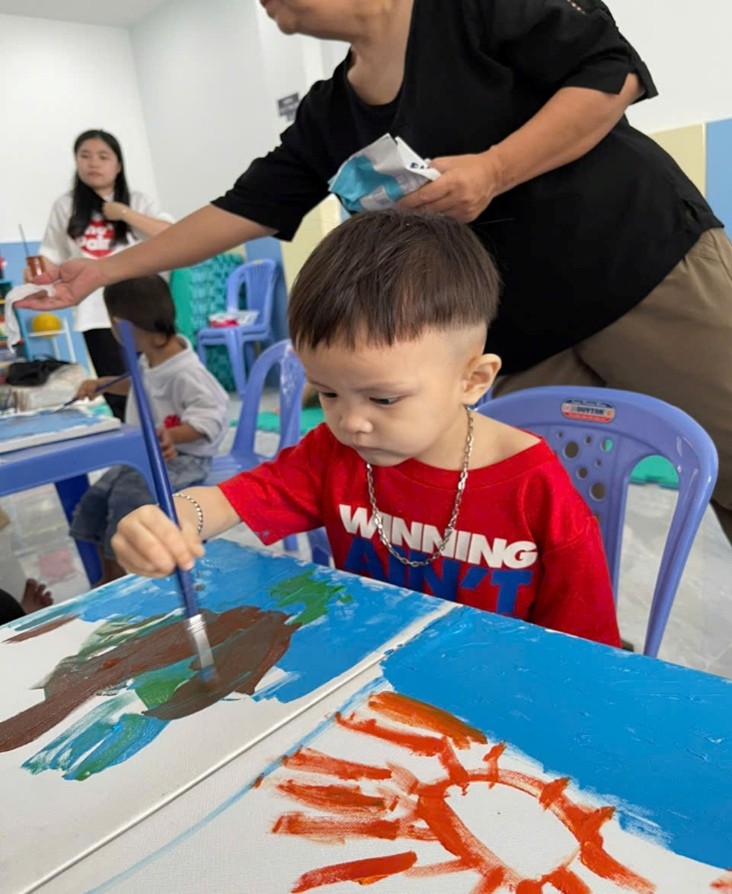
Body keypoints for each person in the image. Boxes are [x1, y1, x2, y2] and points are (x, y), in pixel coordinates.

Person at [20, 2, 732, 548]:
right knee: (545, 529)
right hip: (524, 333)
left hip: (645, 268)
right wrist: (100, 272)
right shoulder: (330, 114)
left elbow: (611, 71)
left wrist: (495, 169)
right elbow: (243, 208)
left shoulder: (468, 12)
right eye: (329, 393)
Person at [112, 211, 621, 648]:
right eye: (328, 393)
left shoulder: (535, 488)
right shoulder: (331, 453)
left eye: (384, 399)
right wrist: (179, 517)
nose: (350, 422)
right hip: (372, 668)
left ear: (472, 380)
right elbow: (234, 498)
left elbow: (586, 649)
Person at [69, 275, 229, 584]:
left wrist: (173, 435)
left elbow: (213, 417)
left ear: (119, 326)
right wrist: (103, 385)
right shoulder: (151, 359)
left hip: (184, 458)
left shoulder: (186, 371)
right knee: (95, 500)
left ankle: (128, 584)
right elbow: (141, 385)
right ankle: (109, 578)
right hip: (148, 454)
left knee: (126, 502)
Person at [27, 129, 173, 418]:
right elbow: (52, 255)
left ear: (118, 165)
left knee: (157, 382)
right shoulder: (65, 206)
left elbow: (171, 235)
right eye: (85, 156)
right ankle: (132, 439)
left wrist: (125, 213)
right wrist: (36, 271)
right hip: (94, 311)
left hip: (143, 306)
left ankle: (169, 436)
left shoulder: (138, 201)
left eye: (103, 156)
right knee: (116, 389)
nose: (93, 163)